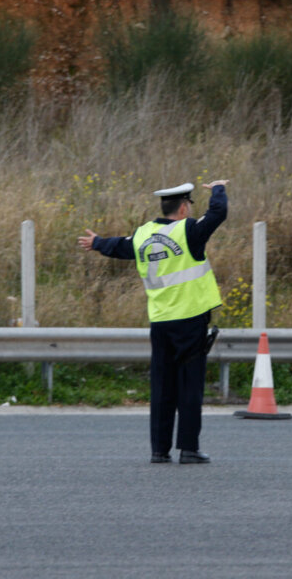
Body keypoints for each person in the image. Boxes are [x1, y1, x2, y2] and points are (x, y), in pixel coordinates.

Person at [78, 179, 229, 464]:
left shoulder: (143, 235)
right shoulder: (189, 231)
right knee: (189, 386)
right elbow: (217, 214)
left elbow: (119, 246)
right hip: (190, 319)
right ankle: (188, 449)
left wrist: (97, 243)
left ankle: (159, 451)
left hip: (160, 322)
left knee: (162, 386)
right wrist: (218, 188)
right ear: (184, 207)